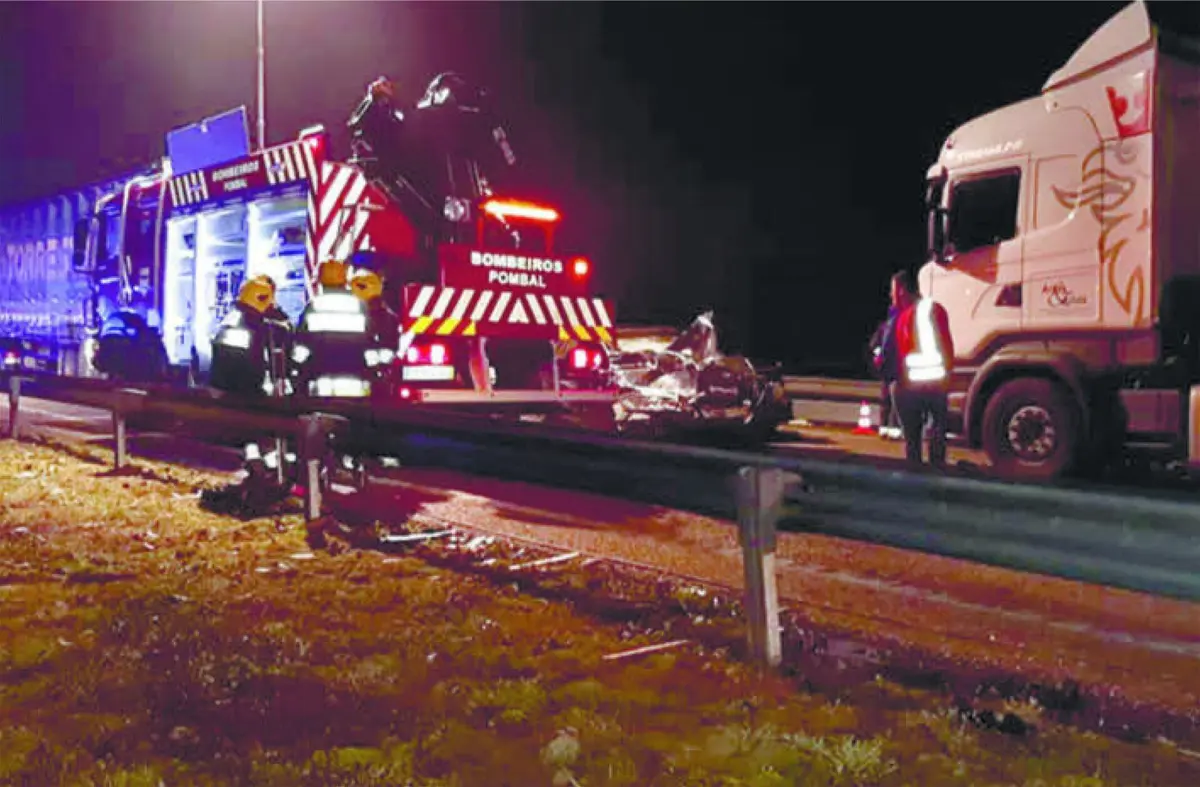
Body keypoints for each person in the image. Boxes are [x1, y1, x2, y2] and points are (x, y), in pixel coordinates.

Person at [882, 270, 954, 469]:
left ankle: (916, 471)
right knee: (937, 428)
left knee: (912, 437)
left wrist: (889, 380)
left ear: (902, 290)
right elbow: (947, 345)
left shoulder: (901, 317)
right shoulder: (936, 309)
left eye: (892, 291)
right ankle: (938, 468)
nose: (891, 295)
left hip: (908, 384)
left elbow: (888, 353)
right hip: (937, 382)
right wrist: (948, 375)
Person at [869, 300, 902, 440]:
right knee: (893, 401)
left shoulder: (885, 327)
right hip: (895, 368)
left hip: (887, 367)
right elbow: (876, 345)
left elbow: (875, 345)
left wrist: (878, 356)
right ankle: (891, 428)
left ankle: (885, 428)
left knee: (887, 400)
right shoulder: (894, 327)